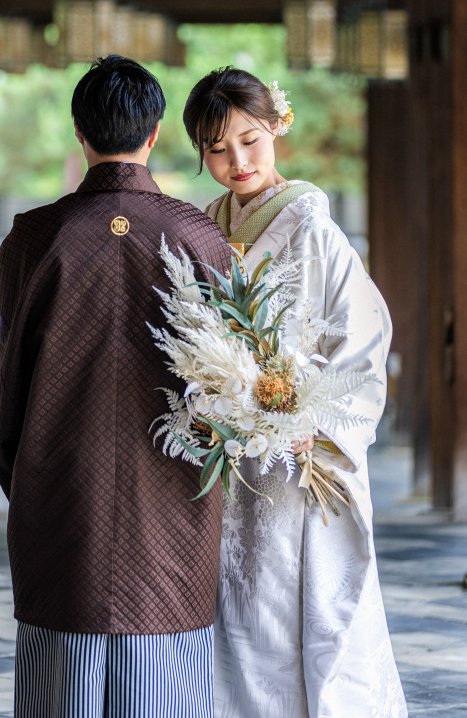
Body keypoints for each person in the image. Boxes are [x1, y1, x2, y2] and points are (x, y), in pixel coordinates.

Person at [0, 55, 232, 718]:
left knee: (57, 684)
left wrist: (23, 474)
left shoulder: (35, 237)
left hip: (64, 492)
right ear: (154, 133)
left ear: (80, 131)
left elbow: (14, 371)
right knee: (167, 681)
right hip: (173, 496)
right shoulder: (198, 237)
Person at [182, 65, 407, 718]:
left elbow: (364, 340)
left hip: (296, 449)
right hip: (229, 452)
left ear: (277, 127)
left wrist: (316, 421)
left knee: (289, 606)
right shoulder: (204, 228)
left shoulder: (314, 228)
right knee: (234, 609)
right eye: (217, 150)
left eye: (250, 140)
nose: (236, 161)